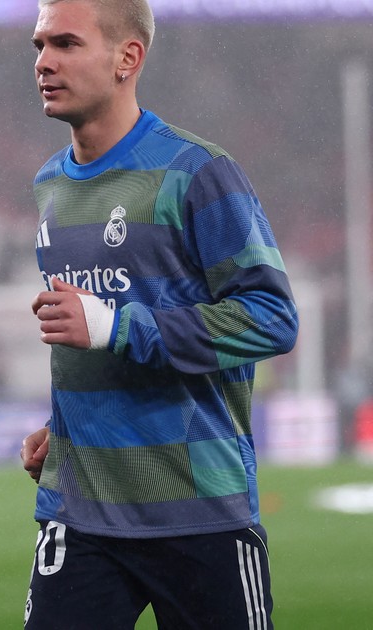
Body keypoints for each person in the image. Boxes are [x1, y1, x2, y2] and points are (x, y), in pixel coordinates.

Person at [20, 0, 298, 627]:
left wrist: (119, 327)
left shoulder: (197, 172)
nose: (43, 62)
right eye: (39, 46)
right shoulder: (49, 185)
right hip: (80, 512)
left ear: (128, 57)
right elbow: (92, 337)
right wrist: (67, 429)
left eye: (66, 44)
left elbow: (272, 316)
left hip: (199, 514)